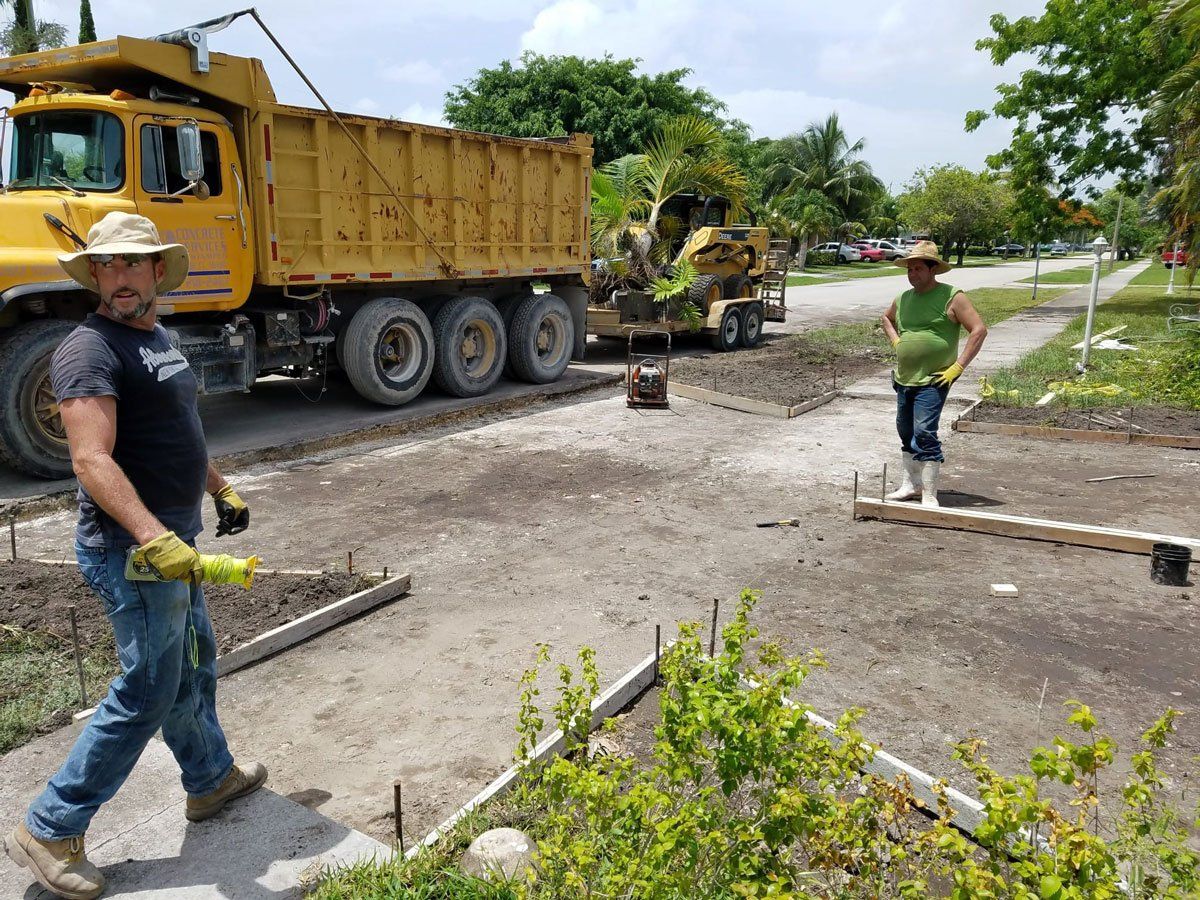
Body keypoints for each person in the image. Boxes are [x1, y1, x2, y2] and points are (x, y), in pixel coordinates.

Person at [4, 212, 264, 900]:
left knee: (195, 662)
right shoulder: (87, 351)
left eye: (132, 264)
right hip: (133, 553)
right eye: (107, 266)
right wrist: (155, 537)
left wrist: (221, 486)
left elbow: (183, 427)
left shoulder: (158, 338)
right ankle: (51, 826)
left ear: (157, 270)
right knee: (148, 688)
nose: (120, 277)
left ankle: (209, 779)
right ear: (94, 275)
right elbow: (90, 459)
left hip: (173, 542)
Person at [880, 241, 988, 507]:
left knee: (924, 431)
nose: (912, 274)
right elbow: (886, 319)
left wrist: (957, 367)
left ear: (933, 270)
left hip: (934, 378)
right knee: (905, 430)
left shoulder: (952, 296)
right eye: (909, 269)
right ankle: (910, 485)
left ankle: (929, 493)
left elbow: (979, 330)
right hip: (904, 377)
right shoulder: (903, 298)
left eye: (917, 268)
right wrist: (897, 343)